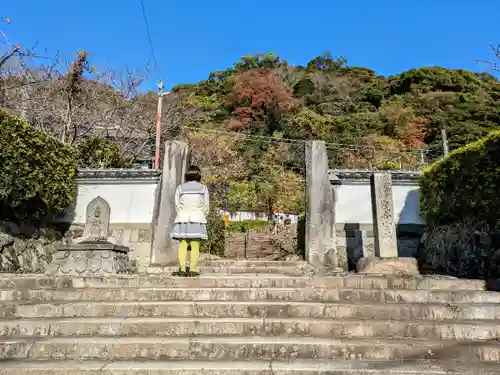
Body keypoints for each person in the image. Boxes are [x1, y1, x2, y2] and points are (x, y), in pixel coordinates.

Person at [171, 165, 210, 277]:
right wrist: (201, 215)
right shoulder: (203, 188)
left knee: (183, 244)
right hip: (197, 218)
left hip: (182, 218)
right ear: (198, 175)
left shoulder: (180, 188)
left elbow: (177, 204)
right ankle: (192, 269)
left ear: (187, 175)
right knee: (195, 244)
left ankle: (182, 269)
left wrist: (182, 213)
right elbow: (206, 206)